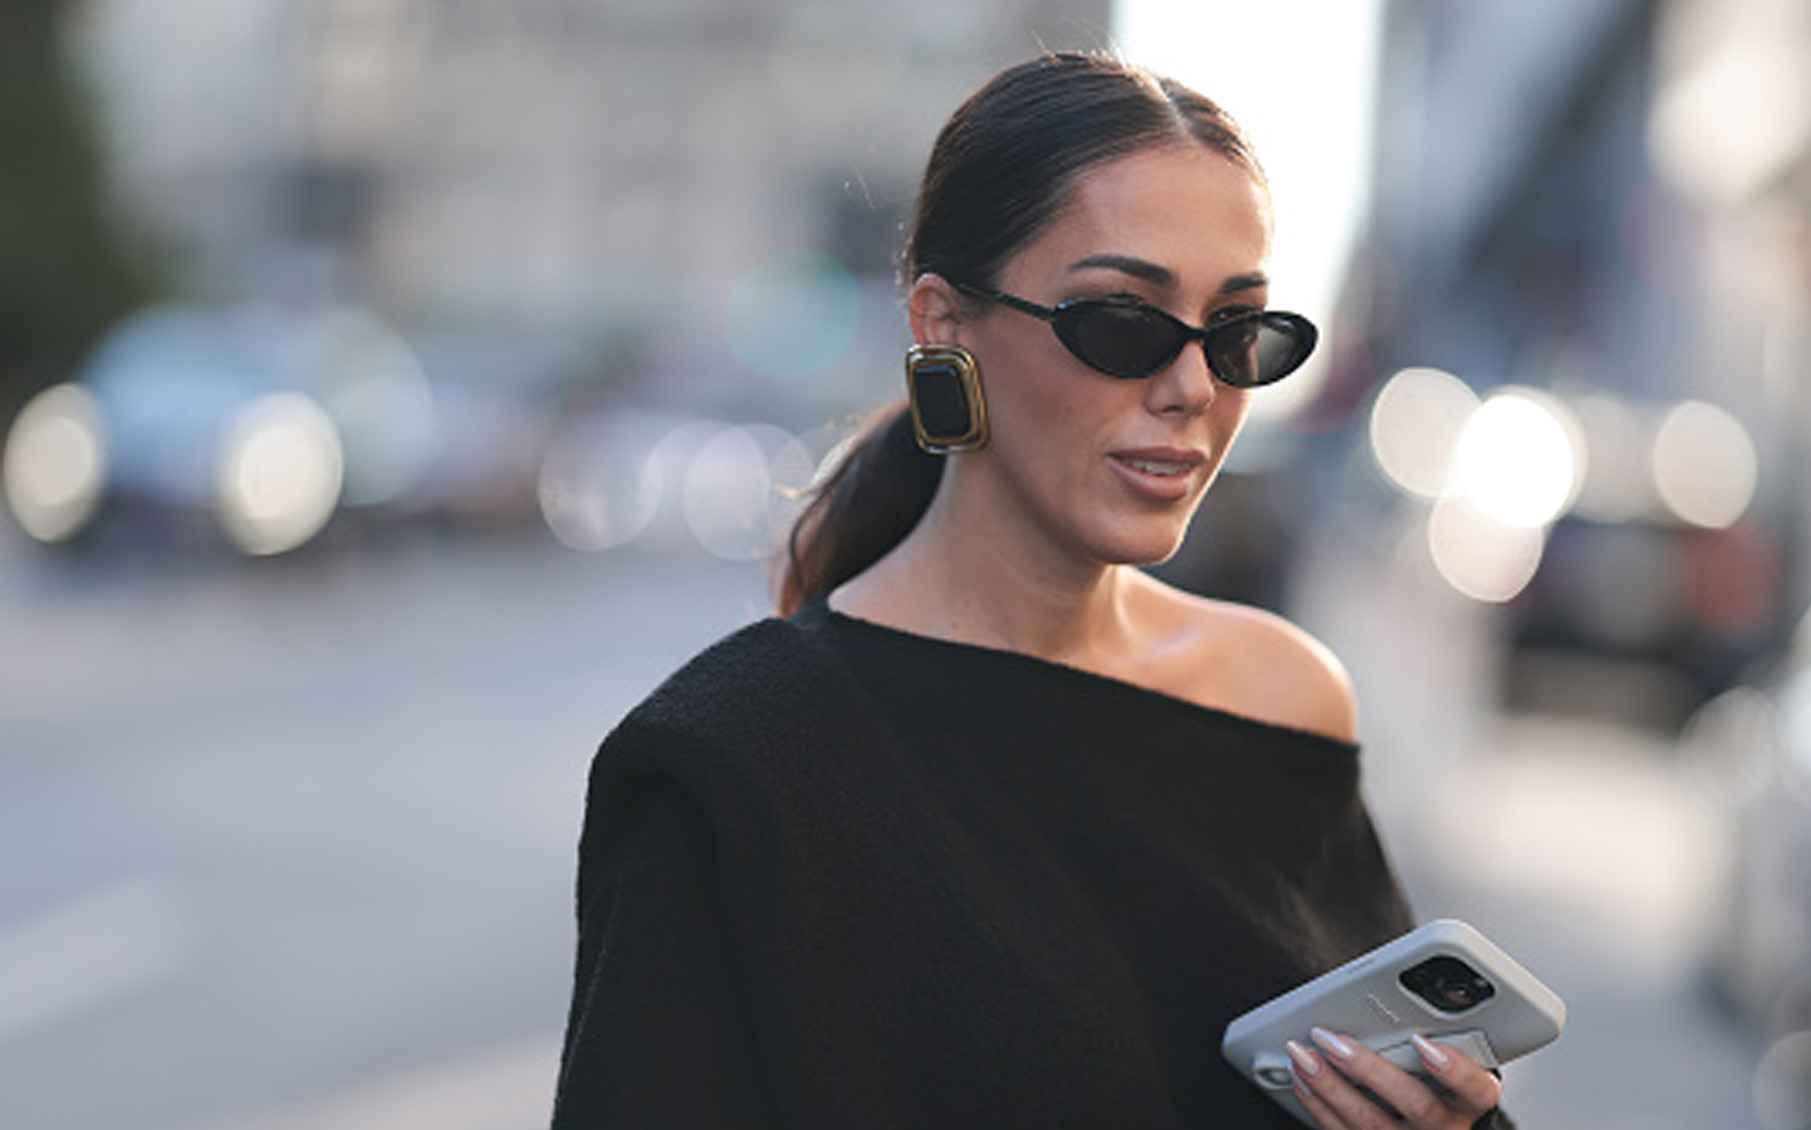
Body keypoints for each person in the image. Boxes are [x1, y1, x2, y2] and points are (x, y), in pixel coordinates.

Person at [552, 52, 1511, 1130]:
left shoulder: (1281, 697)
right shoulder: (730, 758)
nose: (1191, 386)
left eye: (1237, 331)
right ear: (942, 325)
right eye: (1120, 321)